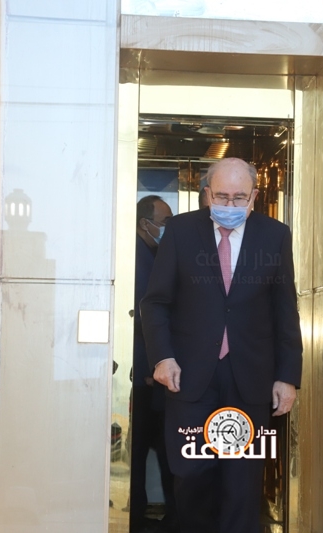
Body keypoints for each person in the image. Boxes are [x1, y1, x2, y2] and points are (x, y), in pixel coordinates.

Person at [140, 158, 303, 533]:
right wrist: (162, 358)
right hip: (189, 375)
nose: (230, 205)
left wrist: (287, 376)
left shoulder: (275, 235)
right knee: (191, 473)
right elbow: (156, 302)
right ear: (207, 194)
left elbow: (284, 309)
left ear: (254, 196)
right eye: (222, 196)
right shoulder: (181, 231)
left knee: (242, 482)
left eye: (239, 198)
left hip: (250, 376)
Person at [131, 195, 177, 532]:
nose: (167, 228)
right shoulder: (136, 257)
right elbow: (143, 318)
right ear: (144, 223)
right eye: (164, 222)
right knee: (143, 450)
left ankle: (167, 517)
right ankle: (137, 519)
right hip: (146, 376)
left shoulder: (154, 253)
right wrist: (150, 367)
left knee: (162, 450)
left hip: (155, 375)